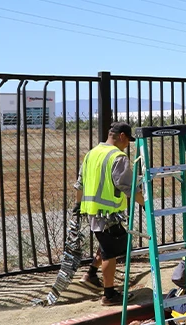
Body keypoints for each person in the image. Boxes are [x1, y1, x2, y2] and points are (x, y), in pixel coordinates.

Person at [73, 122, 144, 306]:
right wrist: (145, 203)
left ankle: (90, 274)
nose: (128, 144)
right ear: (121, 136)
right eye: (128, 140)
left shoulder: (92, 153)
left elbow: (79, 183)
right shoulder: (118, 157)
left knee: (107, 244)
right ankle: (109, 295)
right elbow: (128, 187)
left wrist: (77, 205)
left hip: (91, 210)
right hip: (108, 213)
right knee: (110, 252)